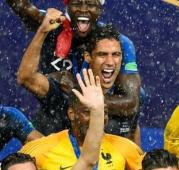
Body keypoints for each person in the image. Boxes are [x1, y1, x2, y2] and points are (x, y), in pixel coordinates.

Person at [7, 0, 141, 142]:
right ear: (67, 6)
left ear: (100, 8)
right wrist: (43, 29)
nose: (83, 9)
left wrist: (77, 92)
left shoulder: (115, 42)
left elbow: (131, 103)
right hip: (55, 110)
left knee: (136, 101)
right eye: (77, 3)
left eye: (90, 4)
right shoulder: (51, 25)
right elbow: (23, 7)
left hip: (97, 110)